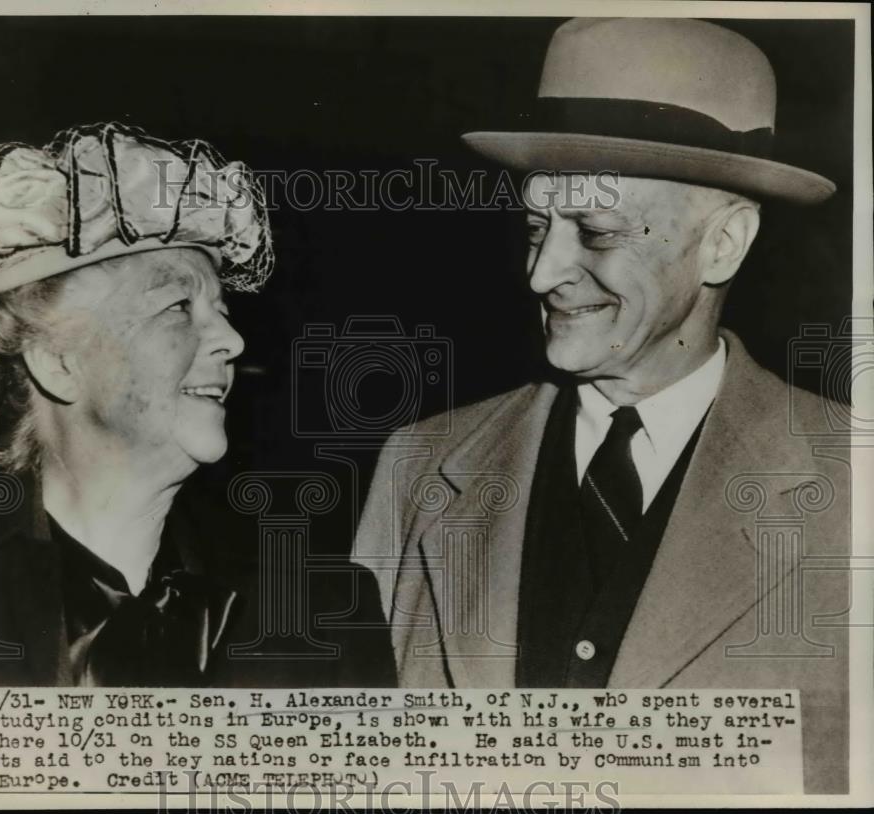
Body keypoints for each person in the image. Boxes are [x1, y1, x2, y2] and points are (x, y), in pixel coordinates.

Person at [353, 18, 849, 793]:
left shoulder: (855, 486)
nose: (544, 272)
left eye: (596, 230)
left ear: (724, 243)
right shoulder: (420, 466)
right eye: (535, 227)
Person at [0, 122, 394, 688]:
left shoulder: (327, 609)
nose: (233, 340)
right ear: (58, 361)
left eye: (222, 308)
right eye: (179, 306)